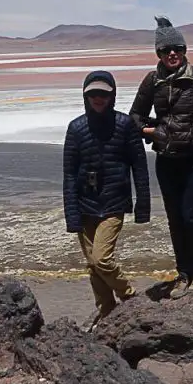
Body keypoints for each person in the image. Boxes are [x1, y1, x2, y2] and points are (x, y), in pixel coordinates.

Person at [63, 70, 150, 328]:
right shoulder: (76, 128)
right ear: (85, 96)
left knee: (101, 258)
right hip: (85, 203)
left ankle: (128, 294)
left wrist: (142, 206)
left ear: (112, 94)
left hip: (114, 201)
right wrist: (72, 215)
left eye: (103, 93)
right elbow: (69, 175)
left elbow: (140, 167)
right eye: (93, 94)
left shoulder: (124, 125)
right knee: (92, 265)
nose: (98, 98)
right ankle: (107, 309)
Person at [130, 16, 193, 299]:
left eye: (176, 48)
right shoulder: (153, 80)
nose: (172, 53)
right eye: (166, 50)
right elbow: (135, 116)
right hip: (166, 160)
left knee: (192, 216)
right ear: (159, 54)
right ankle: (184, 273)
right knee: (175, 219)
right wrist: (152, 130)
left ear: (184, 50)